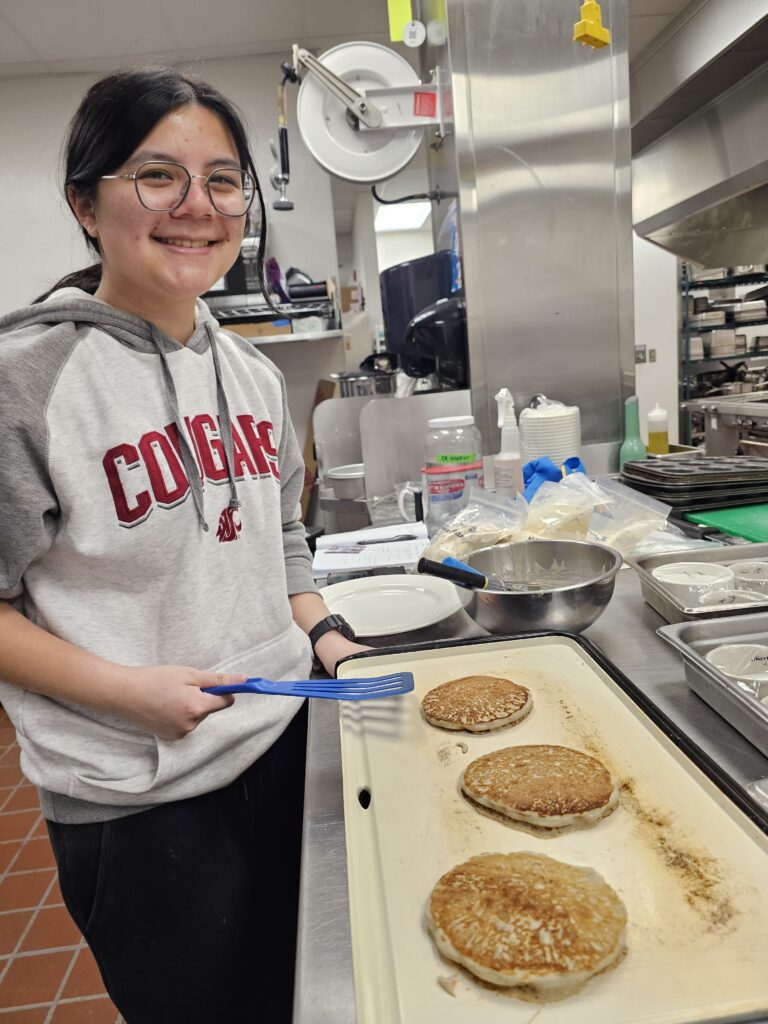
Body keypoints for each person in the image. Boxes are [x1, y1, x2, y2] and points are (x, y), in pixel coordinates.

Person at [0, 66, 365, 1023]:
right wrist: (131, 692)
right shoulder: (26, 381)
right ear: (86, 202)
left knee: (305, 998)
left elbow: (280, 535)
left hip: (284, 748)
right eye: (157, 176)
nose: (196, 207)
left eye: (222, 180)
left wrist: (329, 637)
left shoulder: (252, 373)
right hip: (139, 802)